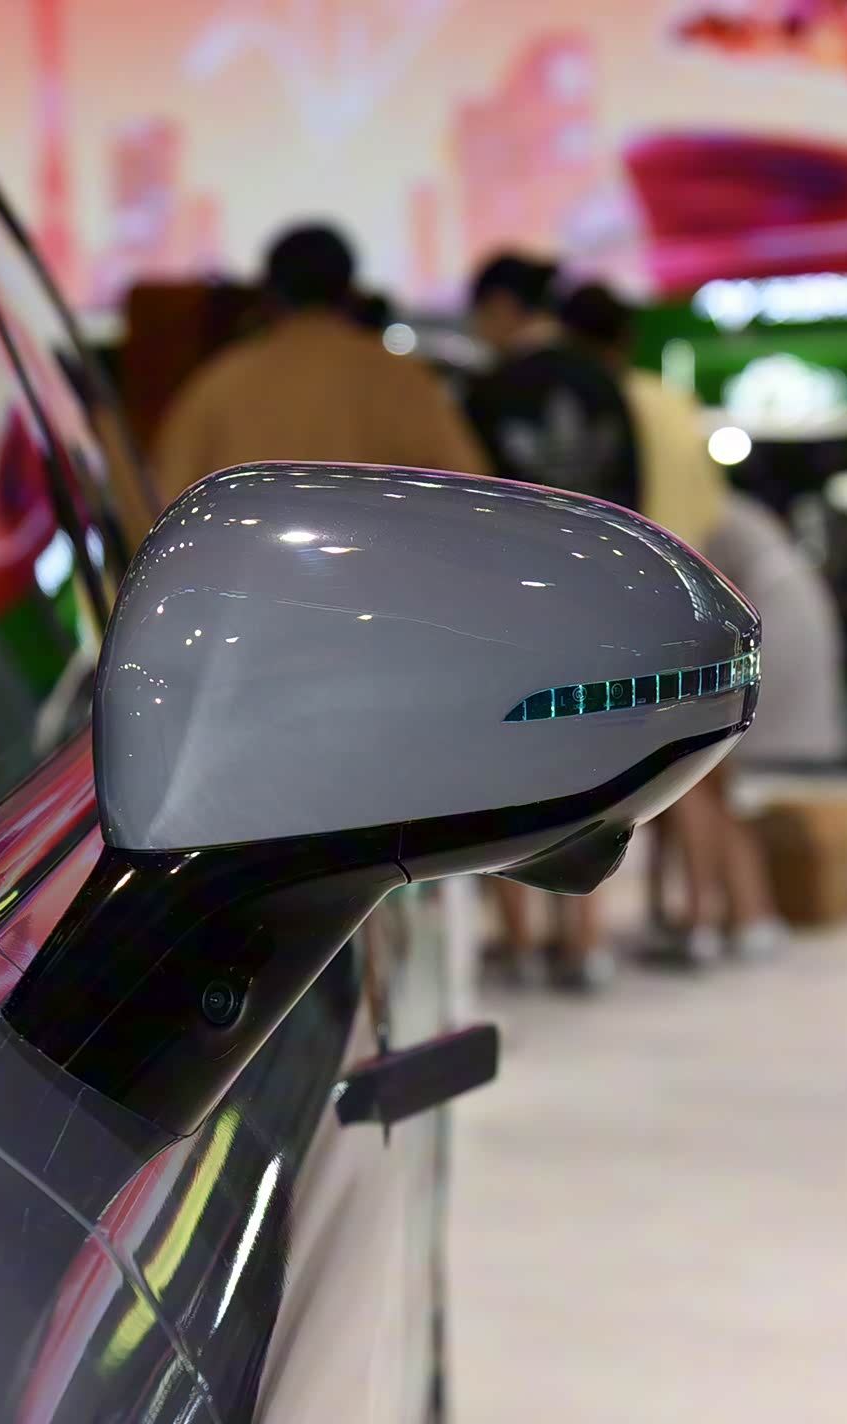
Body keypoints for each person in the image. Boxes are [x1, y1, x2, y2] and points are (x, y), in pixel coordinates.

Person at [562, 281, 846, 964]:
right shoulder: (670, 401)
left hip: (639, 606)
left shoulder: (601, 409)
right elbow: (709, 512)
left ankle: (682, 925)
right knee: (704, 777)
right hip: (699, 596)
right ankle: (722, 918)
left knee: (665, 781)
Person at [459, 258, 642, 993]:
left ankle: (520, 939)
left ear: (503, 308)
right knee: (593, 771)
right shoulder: (605, 382)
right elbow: (635, 505)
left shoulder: (490, 389)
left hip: (512, 613)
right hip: (601, 606)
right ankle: (585, 941)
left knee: (503, 770)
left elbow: (467, 507)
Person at [152, 224, 487, 506]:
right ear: (351, 293)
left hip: (243, 565)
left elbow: (165, 507)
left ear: (268, 295)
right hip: (377, 564)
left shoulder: (219, 383)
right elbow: (471, 494)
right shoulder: (403, 380)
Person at [461, 255, 640, 511]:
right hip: (604, 531)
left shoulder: (490, 389)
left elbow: (475, 490)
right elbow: (630, 478)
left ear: (501, 305)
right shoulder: (602, 377)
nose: (477, 330)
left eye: (478, 315)